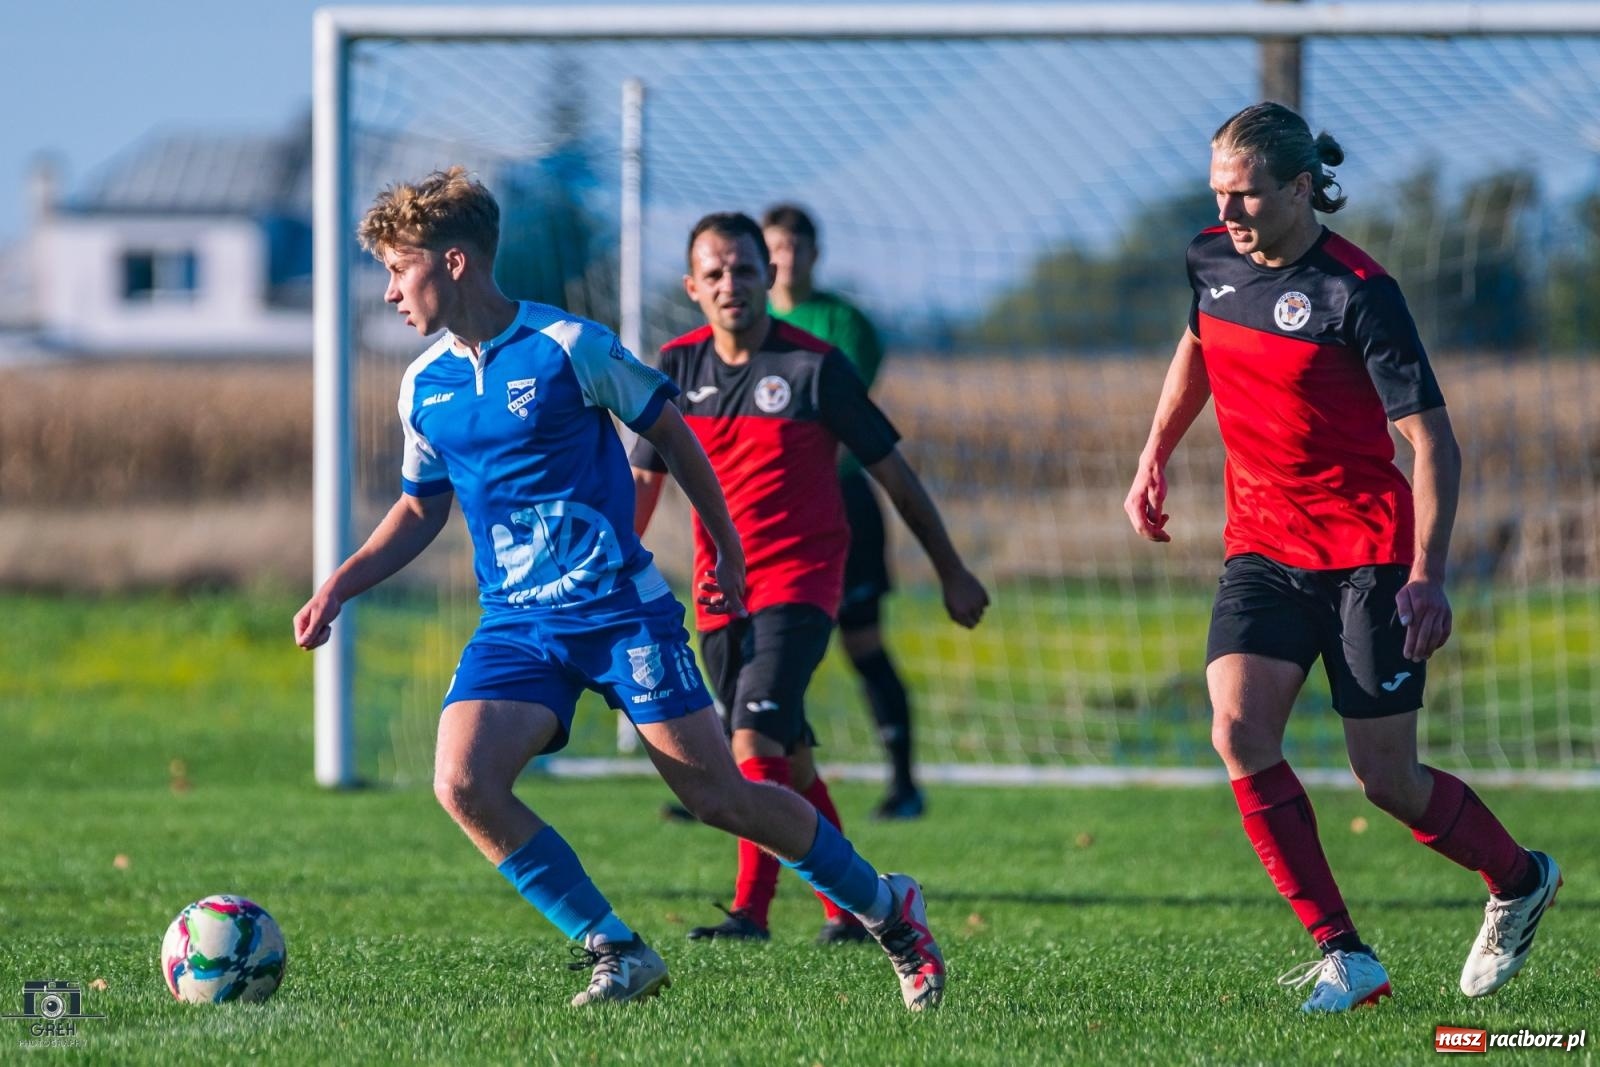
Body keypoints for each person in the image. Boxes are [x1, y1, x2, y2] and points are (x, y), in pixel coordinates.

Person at [293, 168, 948, 1011]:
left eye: (397, 268)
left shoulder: (571, 346)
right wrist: (341, 584)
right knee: (462, 782)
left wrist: (727, 545)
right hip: (518, 628)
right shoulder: (425, 385)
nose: (387, 292)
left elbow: (672, 432)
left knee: (719, 794)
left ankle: (889, 906)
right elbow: (420, 509)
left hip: (621, 614)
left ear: (453, 262)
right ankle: (616, 948)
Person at [1123, 103, 1561, 1014]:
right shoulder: (1209, 258)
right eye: (1218, 195)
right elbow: (1198, 344)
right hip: (1262, 551)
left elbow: (1434, 444)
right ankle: (1346, 956)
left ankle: (1518, 879)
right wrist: (1154, 452)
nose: (1228, 214)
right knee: (1239, 730)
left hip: (1368, 560)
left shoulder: (1361, 291)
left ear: (1297, 187)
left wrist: (1427, 573)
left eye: (1243, 196)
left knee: (1386, 780)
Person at [631, 212, 989, 946]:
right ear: (692, 286)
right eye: (716, 272)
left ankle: (751, 913)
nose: (733, 283)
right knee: (787, 758)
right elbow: (641, 480)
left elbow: (895, 474)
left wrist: (951, 569)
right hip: (717, 591)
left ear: (771, 276)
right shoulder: (674, 367)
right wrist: (609, 570)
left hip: (800, 581)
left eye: (746, 269)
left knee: (752, 745)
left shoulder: (816, 366)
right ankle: (853, 907)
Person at [762, 204, 924, 820]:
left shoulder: (843, 322)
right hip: (768, 509)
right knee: (756, 652)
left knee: (861, 644)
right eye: (775, 247)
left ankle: (904, 782)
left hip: (841, 502)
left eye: (796, 247)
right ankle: (740, 785)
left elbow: (837, 408)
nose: (785, 259)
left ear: (813, 254)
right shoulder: (747, 321)